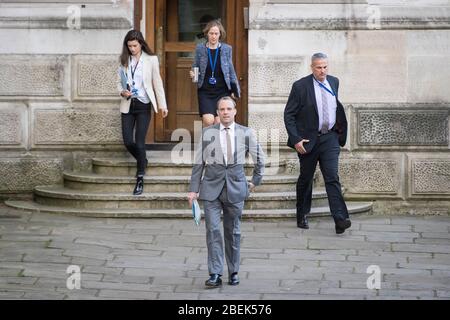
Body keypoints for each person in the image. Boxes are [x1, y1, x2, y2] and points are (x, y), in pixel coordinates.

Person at [187, 96, 264, 288]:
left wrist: (254, 182)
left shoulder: (246, 133)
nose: (226, 112)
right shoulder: (207, 133)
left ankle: (234, 271)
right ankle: (215, 273)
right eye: (222, 109)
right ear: (217, 113)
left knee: (233, 232)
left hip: (236, 190)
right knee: (213, 231)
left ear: (235, 111)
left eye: (229, 109)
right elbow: (199, 163)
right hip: (211, 189)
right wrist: (193, 190)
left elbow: (260, 159)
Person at [283, 53, 351, 234]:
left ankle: (340, 218)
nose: (322, 71)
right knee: (306, 178)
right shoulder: (300, 86)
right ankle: (302, 213)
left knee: (332, 177)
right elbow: (289, 114)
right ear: (312, 67)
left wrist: (338, 134)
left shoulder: (334, 82)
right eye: (319, 67)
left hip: (330, 138)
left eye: (325, 67)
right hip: (308, 140)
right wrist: (296, 139)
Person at [117, 29, 168, 195]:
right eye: (129, 46)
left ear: (141, 43)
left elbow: (157, 83)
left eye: (135, 45)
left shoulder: (151, 60)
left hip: (144, 105)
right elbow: (118, 82)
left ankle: (140, 177)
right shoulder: (124, 60)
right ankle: (142, 159)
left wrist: (163, 105)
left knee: (139, 142)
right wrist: (122, 91)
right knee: (127, 141)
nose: (132, 48)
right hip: (127, 104)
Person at [189, 20, 240, 127]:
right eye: (211, 33)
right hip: (206, 91)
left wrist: (235, 89)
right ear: (207, 34)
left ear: (220, 34)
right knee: (208, 120)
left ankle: (218, 143)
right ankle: (207, 141)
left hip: (222, 90)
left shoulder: (226, 49)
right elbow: (195, 66)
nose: (213, 36)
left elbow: (230, 70)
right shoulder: (200, 49)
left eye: (216, 33)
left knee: (219, 121)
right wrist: (193, 74)